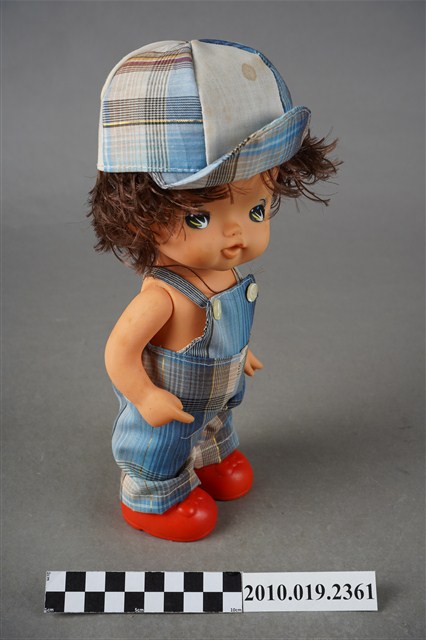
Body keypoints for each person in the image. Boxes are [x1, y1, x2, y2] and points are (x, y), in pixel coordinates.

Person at [88, 39, 339, 541]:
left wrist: (240, 353)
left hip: (216, 393)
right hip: (170, 400)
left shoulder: (226, 275)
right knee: (161, 445)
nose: (237, 234)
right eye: (199, 217)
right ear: (135, 213)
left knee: (217, 423)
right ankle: (151, 496)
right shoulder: (163, 295)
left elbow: (224, 323)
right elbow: (119, 351)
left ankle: (210, 458)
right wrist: (145, 395)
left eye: (257, 209)